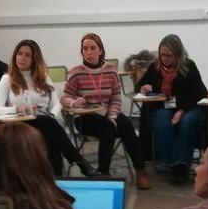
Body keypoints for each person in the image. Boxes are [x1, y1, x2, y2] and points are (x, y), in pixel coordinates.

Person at [0, 39, 97, 177]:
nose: (22, 58)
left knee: (51, 135)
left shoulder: (44, 78)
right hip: (20, 123)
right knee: (50, 127)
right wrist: (17, 109)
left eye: (27, 55)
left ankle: (57, 179)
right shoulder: (7, 79)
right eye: (20, 53)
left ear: (35, 59)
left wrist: (52, 115)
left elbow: (56, 104)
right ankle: (80, 164)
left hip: (44, 121)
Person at [61, 33, 149, 188]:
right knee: (108, 127)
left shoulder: (111, 70)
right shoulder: (75, 72)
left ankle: (140, 171)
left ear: (100, 50)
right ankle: (104, 173)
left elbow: (116, 97)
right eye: (85, 49)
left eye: (92, 48)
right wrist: (74, 102)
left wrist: (113, 114)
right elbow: (64, 98)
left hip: (108, 112)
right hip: (85, 117)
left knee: (126, 125)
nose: (88, 52)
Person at [137, 34, 208, 184]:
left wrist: (181, 111)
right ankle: (171, 163)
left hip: (190, 107)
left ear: (178, 55)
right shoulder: (154, 67)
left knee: (186, 122)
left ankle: (181, 165)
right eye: (162, 55)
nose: (164, 58)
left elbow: (199, 94)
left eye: (169, 55)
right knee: (162, 119)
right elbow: (139, 86)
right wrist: (144, 88)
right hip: (164, 107)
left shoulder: (189, 66)